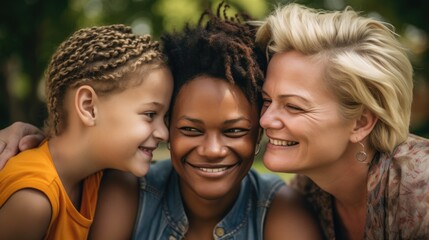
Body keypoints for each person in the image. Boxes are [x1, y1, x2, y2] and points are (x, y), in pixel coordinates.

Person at [0, 2, 322, 240]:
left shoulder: (279, 212)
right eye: (190, 129)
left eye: (235, 130)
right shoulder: (120, 187)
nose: (212, 149)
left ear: (259, 129)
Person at [255, 3, 429, 239]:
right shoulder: (307, 193)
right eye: (267, 100)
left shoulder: (420, 188)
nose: (265, 120)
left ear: (360, 123)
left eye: (293, 107)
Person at [0, 24, 172, 239]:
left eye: (164, 118)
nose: (164, 133)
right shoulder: (33, 199)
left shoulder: (104, 179)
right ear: (89, 106)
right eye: (150, 114)